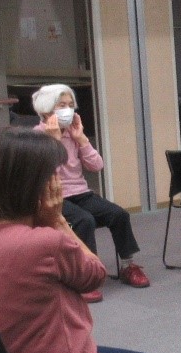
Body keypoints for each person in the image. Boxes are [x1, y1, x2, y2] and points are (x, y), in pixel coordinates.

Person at [0, 128, 181, 353]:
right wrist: (57, 220)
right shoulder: (44, 242)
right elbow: (95, 274)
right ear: (34, 186)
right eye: (52, 177)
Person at [33, 84, 149, 293]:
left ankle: (128, 265)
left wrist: (82, 139)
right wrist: (54, 142)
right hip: (54, 196)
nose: (68, 110)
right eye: (61, 105)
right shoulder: (36, 137)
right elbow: (45, 176)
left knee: (118, 214)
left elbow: (96, 166)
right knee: (84, 220)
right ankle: (86, 274)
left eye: (70, 105)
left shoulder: (72, 133)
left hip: (81, 192)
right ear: (46, 110)